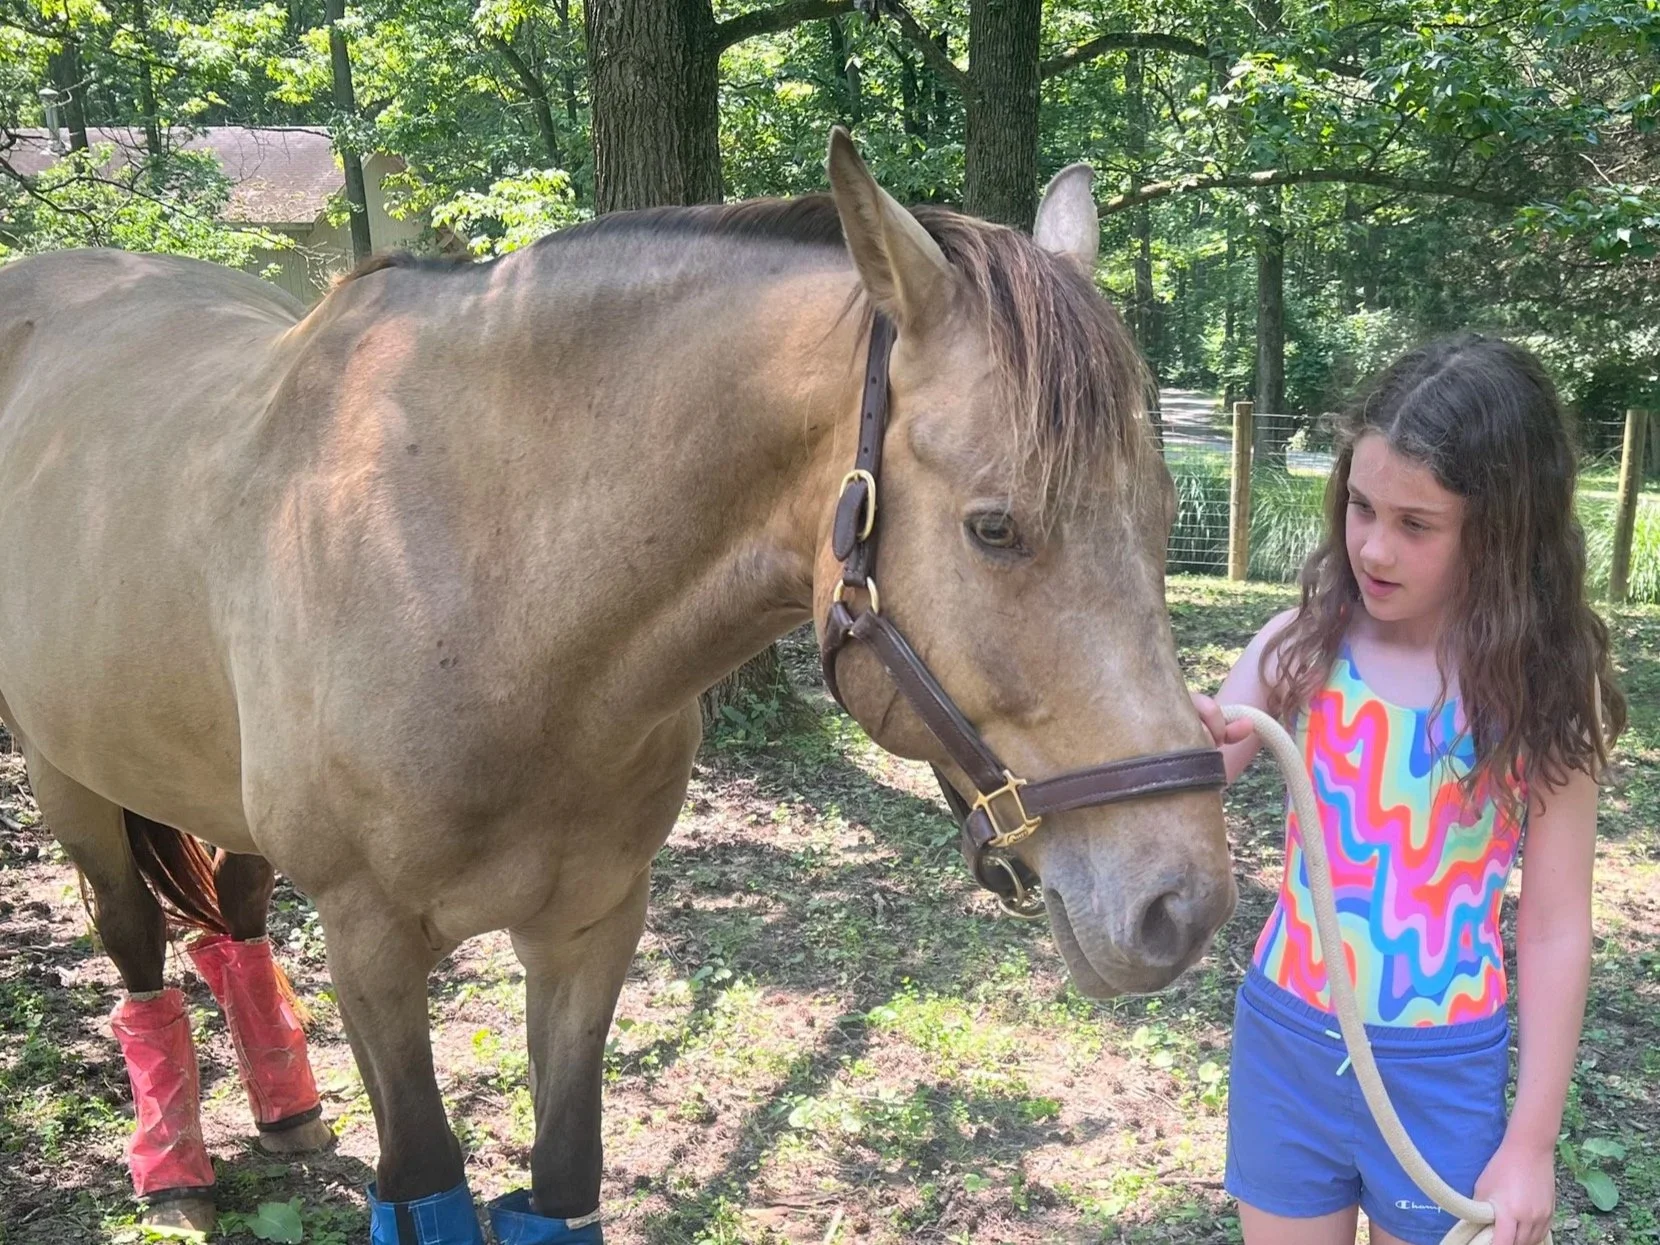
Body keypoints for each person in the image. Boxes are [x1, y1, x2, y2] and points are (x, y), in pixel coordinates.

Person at [1191, 334, 1626, 1245]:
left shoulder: (1542, 686)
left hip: (1440, 1068)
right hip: (1287, 1040)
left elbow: (1553, 926)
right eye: (1359, 506)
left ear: (1503, 533)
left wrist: (1532, 1143)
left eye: (1416, 524)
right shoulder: (1297, 645)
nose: (1374, 547)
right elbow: (1189, 768)